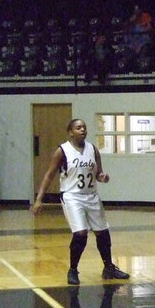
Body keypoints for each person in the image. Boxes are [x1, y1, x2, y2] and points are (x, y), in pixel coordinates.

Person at [32, 119, 131, 286]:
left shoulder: (93, 149)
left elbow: (98, 173)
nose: (83, 130)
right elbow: (49, 175)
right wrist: (39, 199)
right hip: (72, 196)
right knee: (80, 233)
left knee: (103, 232)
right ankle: (72, 270)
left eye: (84, 127)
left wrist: (103, 177)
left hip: (91, 195)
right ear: (71, 132)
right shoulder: (62, 151)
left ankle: (108, 268)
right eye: (78, 128)